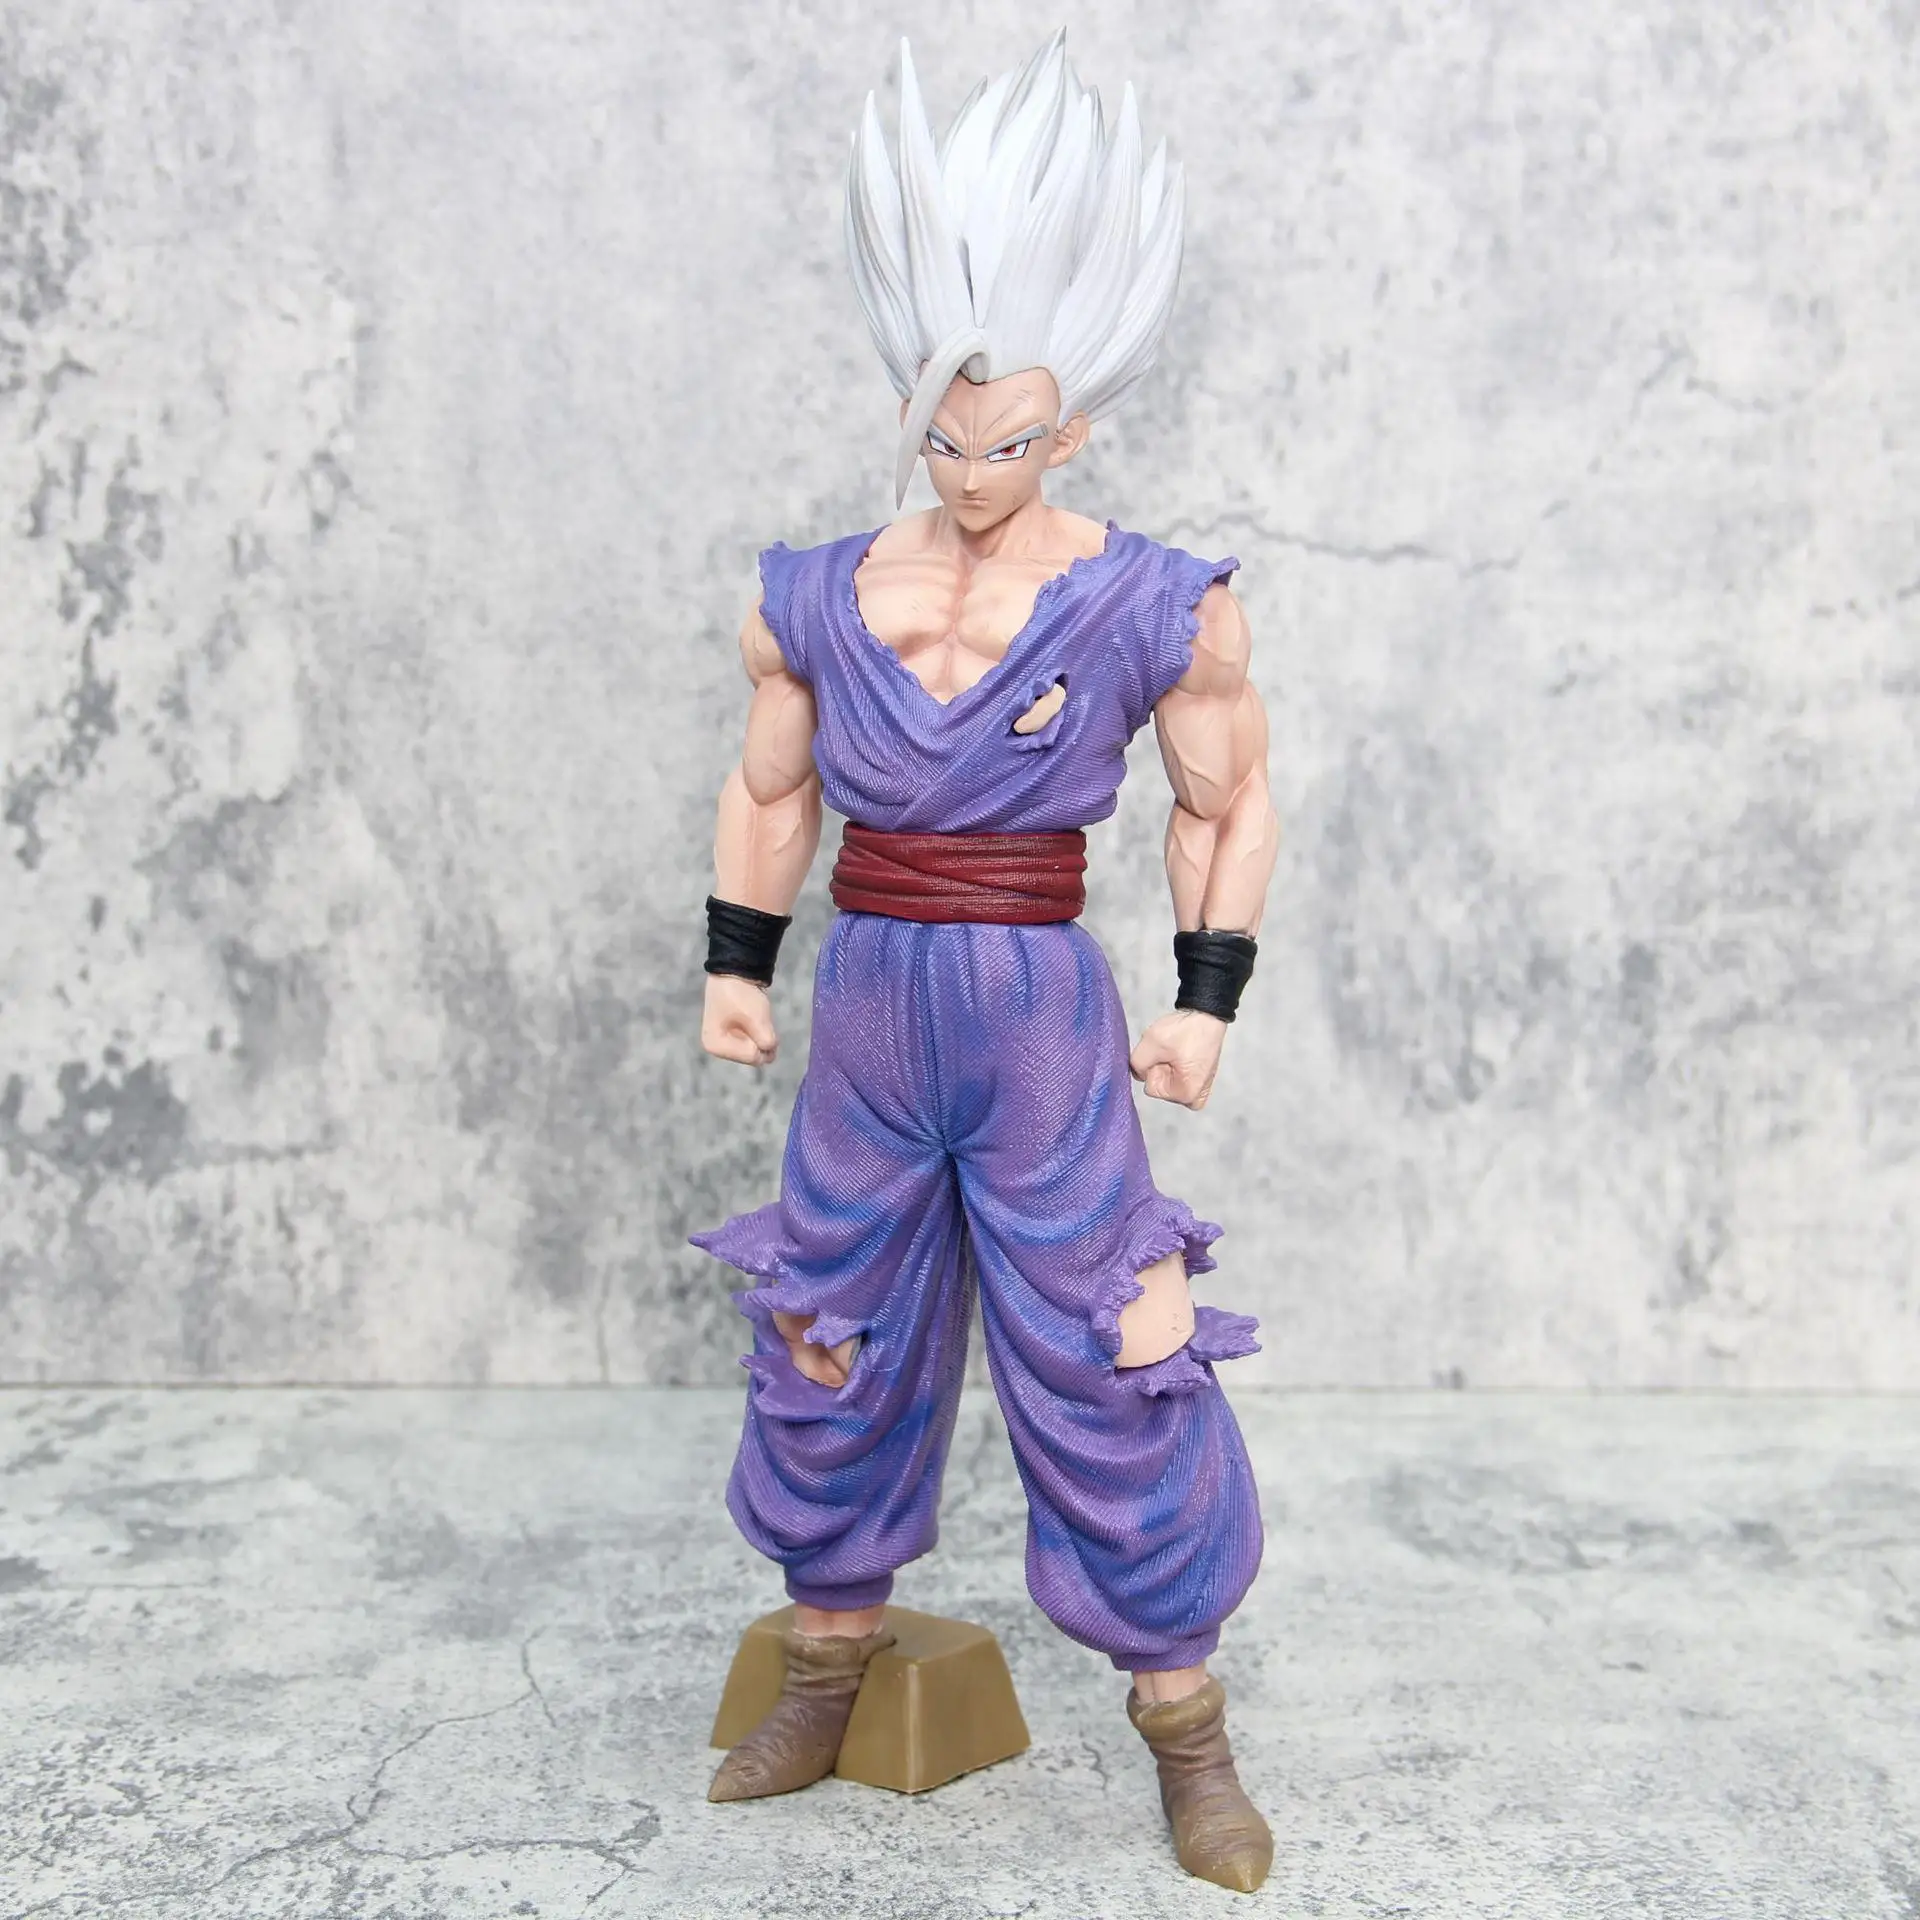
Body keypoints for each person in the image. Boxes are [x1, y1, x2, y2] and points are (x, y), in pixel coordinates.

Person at [692, 34, 1282, 1894]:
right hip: (871, 994)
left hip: (1036, 1005)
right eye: (941, 437)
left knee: (1115, 1333)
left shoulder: (1158, 597)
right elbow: (770, 790)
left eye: (1006, 440)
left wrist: (1202, 1002)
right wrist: (736, 968)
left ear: (1070, 429)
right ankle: (824, 1670)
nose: (968, 471)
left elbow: (1225, 803)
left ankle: (1187, 1728)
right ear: (910, 412)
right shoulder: (817, 589)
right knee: (828, 1315)